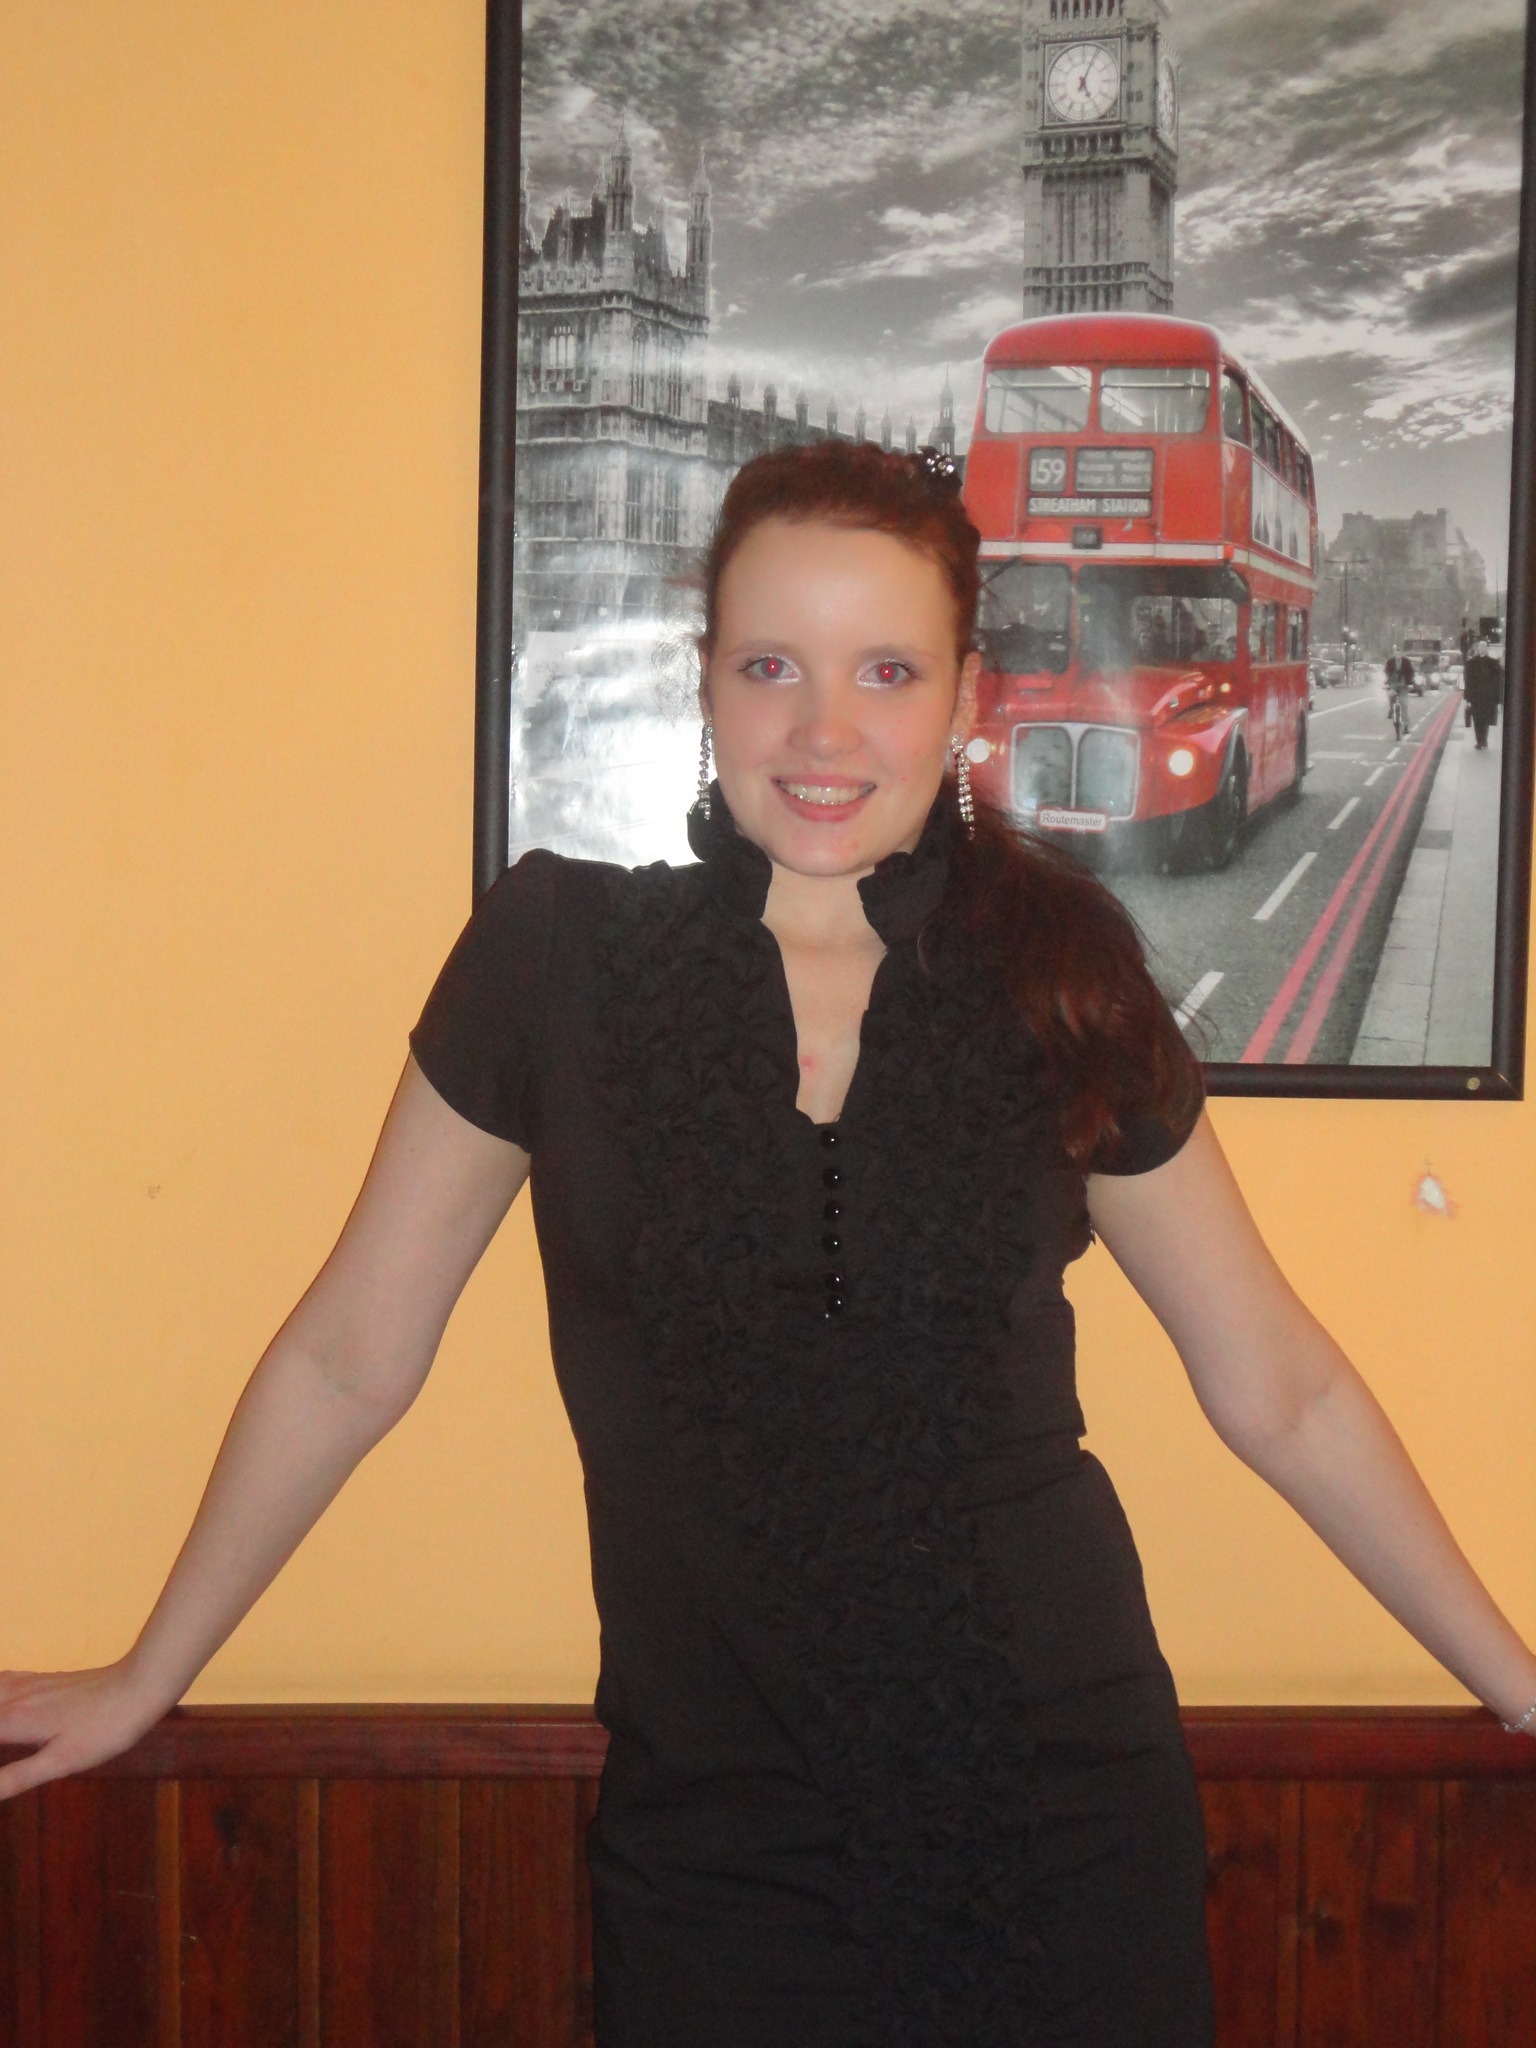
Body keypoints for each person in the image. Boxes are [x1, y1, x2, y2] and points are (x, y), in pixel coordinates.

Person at [3, 441, 1535, 2048]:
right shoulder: (553, 957)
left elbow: (1281, 1387)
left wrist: (1516, 1687)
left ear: (964, 699)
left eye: (887, 671)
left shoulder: (1059, 978)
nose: (823, 730)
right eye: (770, 667)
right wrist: (148, 1675)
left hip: (1064, 1825)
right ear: (708, 684)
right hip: (717, 1861)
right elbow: (347, 1359)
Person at [1464, 637, 1504, 750]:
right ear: (1478, 648)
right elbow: (1468, 682)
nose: (1482, 648)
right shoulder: (1471, 663)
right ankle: (1479, 740)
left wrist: (1498, 699)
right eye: (1480, 646)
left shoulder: (1493, 663)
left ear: (1487, 648)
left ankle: (1483, 739)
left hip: (1488, 697)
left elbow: (1498, 682)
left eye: (1484, 646)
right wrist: (1467, 698)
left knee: (1485, 720)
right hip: (1475, 697)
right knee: (1477, 720)